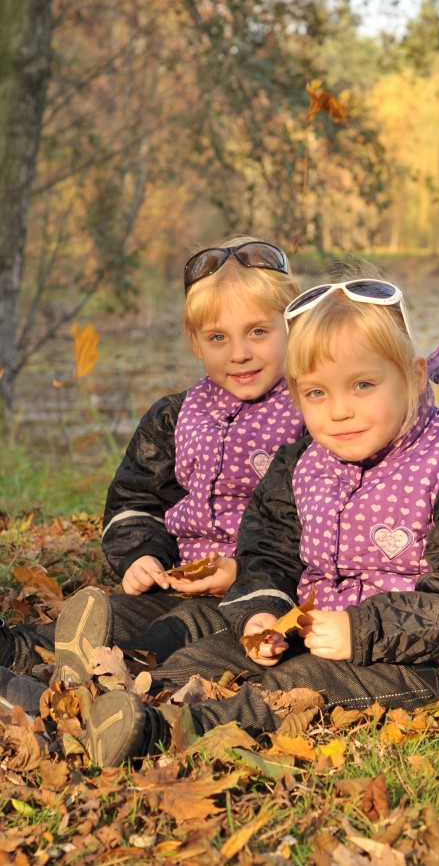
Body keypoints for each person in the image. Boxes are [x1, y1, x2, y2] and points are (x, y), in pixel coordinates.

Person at [69, 273, 439, 766]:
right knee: (209, 652)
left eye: (363, 385)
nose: (340, 411)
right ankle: (109, 701)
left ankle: (160, 733)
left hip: (429, 660)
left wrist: (361, 629)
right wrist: (261, 612)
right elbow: (269, 548)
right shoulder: (303, 459)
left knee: (299, 686)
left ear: (413, 376)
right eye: (316, 394)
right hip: (315, 628)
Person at [0, 237, 305, 710]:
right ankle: (20, 661)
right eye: (219, 338)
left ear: (294, 329)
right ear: (195, 342)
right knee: (107, 617)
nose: (239, 353)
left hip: (260, 594)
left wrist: (244, 573)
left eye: (259, 332)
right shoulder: (175, 415)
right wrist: (142, 552)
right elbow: (135, 498)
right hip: (178, 577)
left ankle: (97, 701)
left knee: (167, 641)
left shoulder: (314, 411)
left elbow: (327, 520)